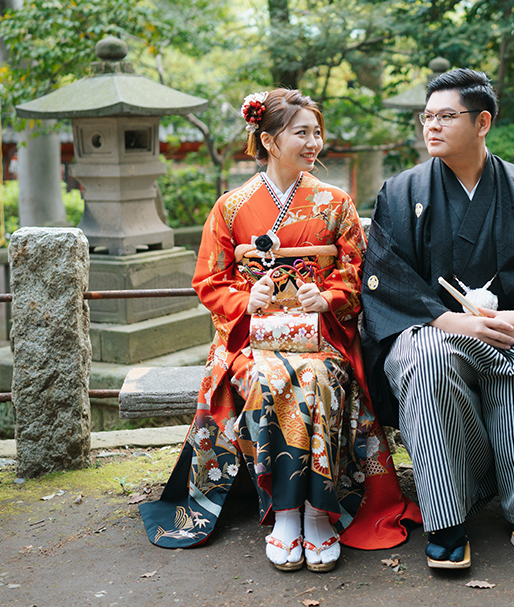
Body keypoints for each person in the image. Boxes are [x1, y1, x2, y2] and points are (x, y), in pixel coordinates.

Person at [141, 89, 420, 572]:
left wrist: (328, 297)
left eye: (317, 133)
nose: (313, 143)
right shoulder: (231, 207)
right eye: (301, 133)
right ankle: (287, 515)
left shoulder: (335, 203)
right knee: (271, 379)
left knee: (314, 379)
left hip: (322, 337)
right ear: (269, 139)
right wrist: (246, 299)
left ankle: (316, 513)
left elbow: (356, 272)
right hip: (253, 337)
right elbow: (210, 279)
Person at [360, 69, 514, 568]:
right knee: (425, 358)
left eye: (445, 117)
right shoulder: (400, 191)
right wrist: (453, 323)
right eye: (427, 117)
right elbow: (387, 279)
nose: (431, 126)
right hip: (438, 331)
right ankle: (448, 518)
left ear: (482, 122)